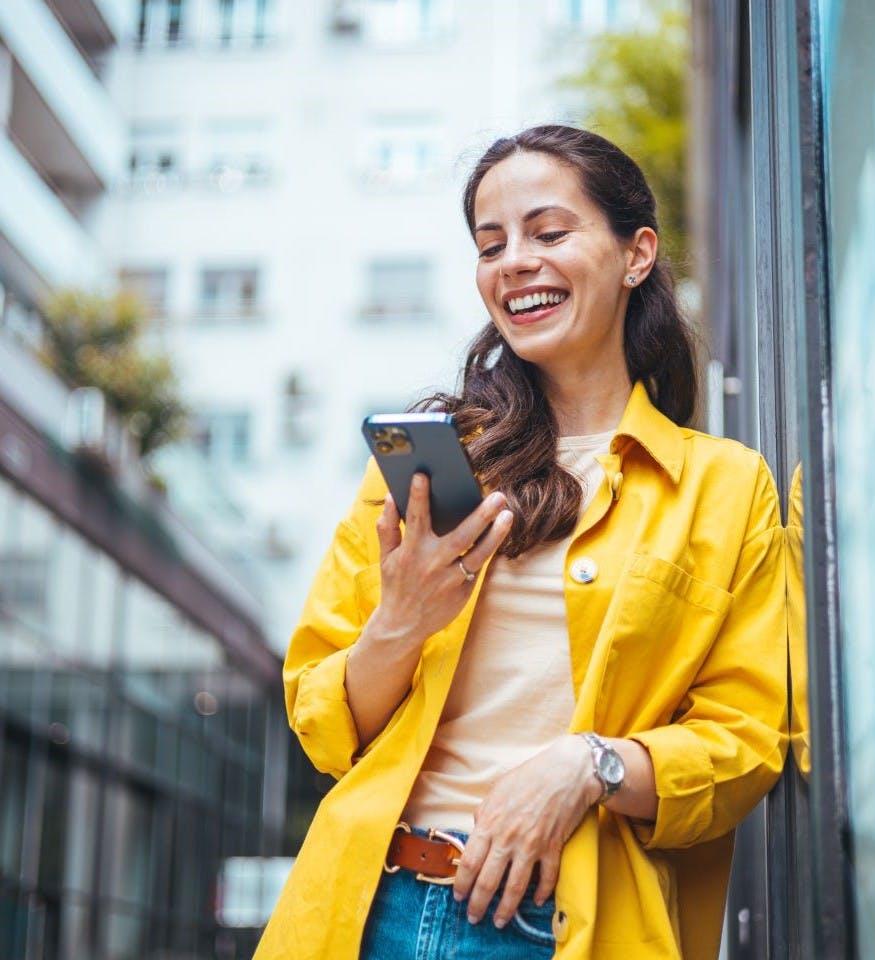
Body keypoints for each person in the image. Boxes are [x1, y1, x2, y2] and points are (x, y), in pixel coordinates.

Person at [254, 125, 788, 960]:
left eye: (549, 233)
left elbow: (747, 739)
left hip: (561, 925)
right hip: (366, 913)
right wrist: (402, 621)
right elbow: (323, 723)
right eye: (490, 244)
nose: (514, 263)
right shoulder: (430, 462)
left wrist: (589, 766)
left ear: (635, 253)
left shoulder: (724, 488)